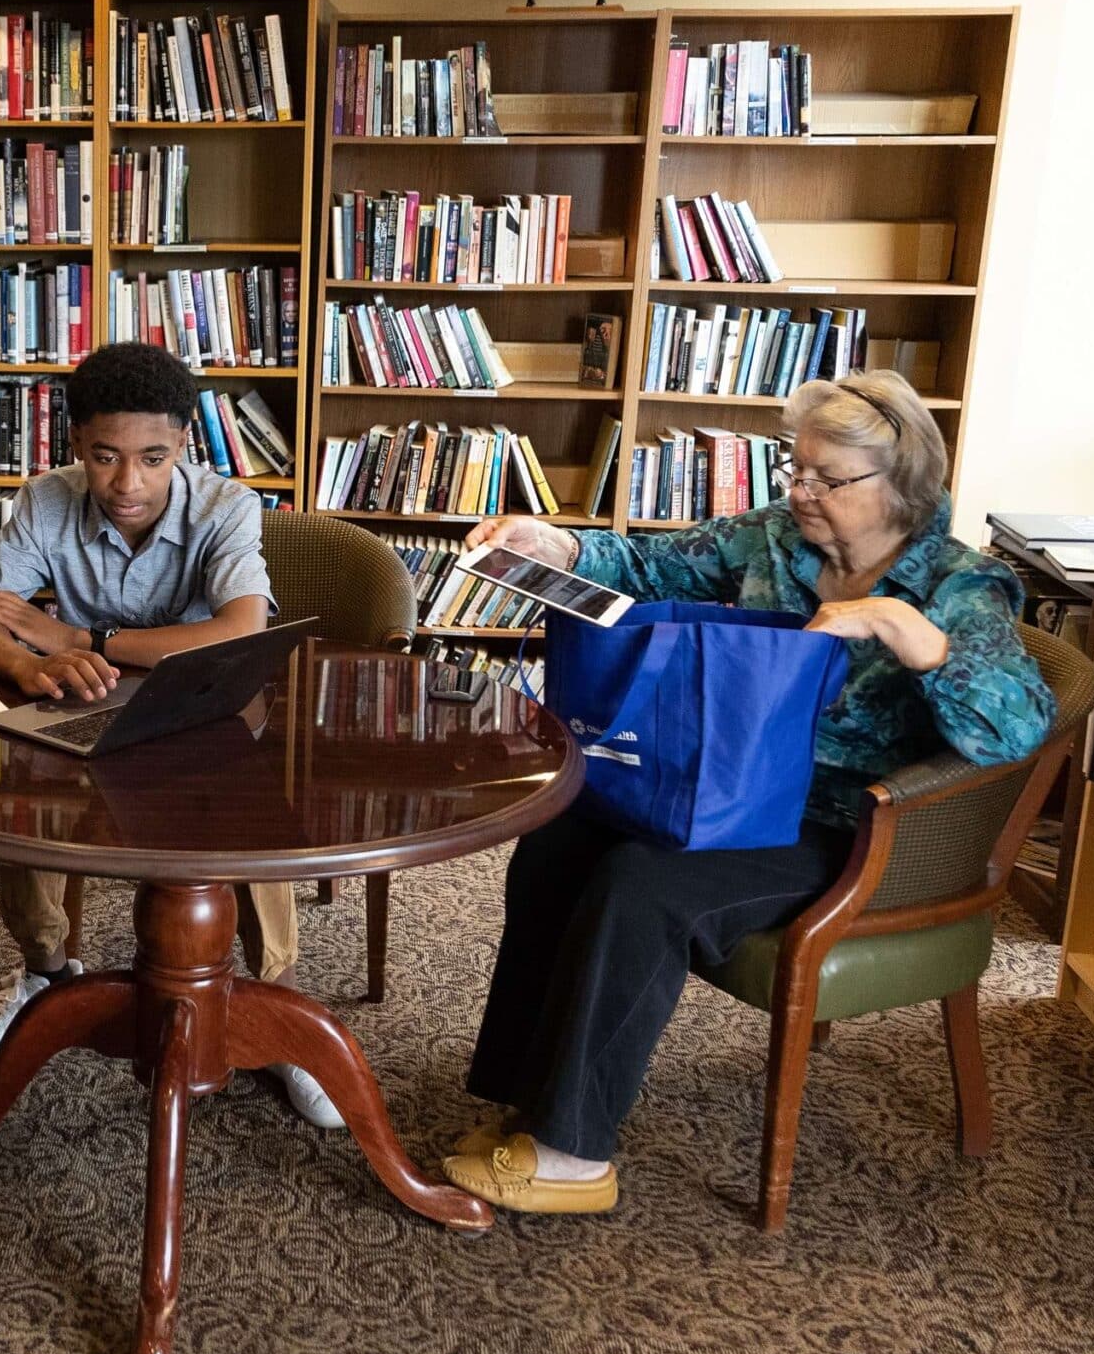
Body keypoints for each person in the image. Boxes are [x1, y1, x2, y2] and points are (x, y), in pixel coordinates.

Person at [448, 371, 1053, 1214]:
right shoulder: (776, 539)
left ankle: (573, 1152)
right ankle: (529, 1097)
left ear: (901, 482)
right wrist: (563, 547)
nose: (800, 492)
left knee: (642, 886)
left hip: (849, 824)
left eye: (826, 479)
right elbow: (656, 563)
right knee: (559, 837)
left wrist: (913, 635)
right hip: (735, 787)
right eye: (793, 469)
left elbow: (1019, 728)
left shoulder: (960, 586)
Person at [0, 341, 340, 1128]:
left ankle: (274, 999)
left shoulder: (225, 504)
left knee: (245, 798)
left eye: (153, 458)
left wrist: (81, 634)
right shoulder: (47, 499)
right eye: (105, 456)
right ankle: (46, 971)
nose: (128, 483)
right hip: (86, 702)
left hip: (201, 704)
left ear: (185, 444)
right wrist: (27, 667)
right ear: (77, 445)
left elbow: (238, 632)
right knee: (15, 781)